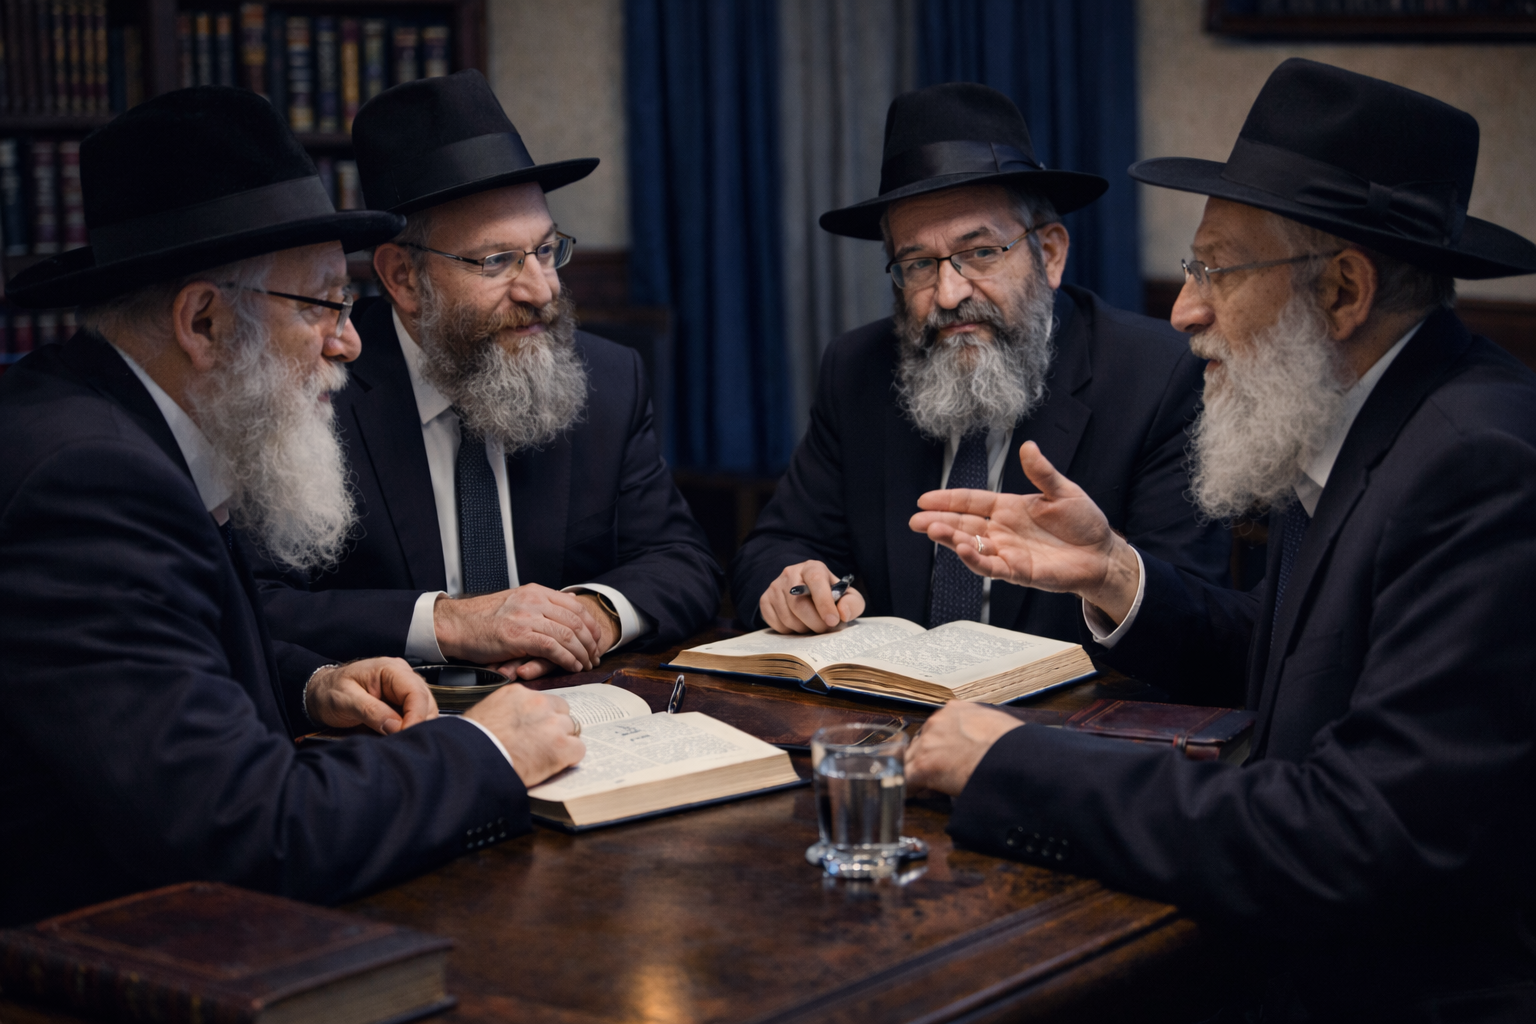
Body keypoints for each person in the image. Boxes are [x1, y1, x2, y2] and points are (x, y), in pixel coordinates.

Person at [906, 60, 1536, 1020]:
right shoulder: (1355, 419)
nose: (1184, 307)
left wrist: (1013, 764)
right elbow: (1296, 670)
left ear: (1343, 291)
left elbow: (1357, 835)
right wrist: (1116, 573)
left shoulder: (1478, 464)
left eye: (1216, 269)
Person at [0, 87, 584, 926]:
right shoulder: (89, 484)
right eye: (323, 305)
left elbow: (159, 661)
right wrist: (486, 748)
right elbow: (248, 831)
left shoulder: (118, 419)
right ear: (203, 320)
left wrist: (311, 683)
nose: (349, 341)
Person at [253, 71, 719, 679]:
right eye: (497, 260)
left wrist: (593, 614)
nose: (542, 289)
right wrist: (450, 623)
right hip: (394, 739)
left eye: (547, 250)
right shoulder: (313, 393)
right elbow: (262, 605)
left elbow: (682, 560)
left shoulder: (607, 377)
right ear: (402, 279)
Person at [731, 82, 1228, 640]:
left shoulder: (1156, 377)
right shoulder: (858, 368)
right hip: (885, 717)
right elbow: (772, 548)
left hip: (1067, 720)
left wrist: (1110, 574)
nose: (948, 293)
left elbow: (1195, 621)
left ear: (1051, 253)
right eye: (917, 264)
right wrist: (795, 586)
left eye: (981, 253)